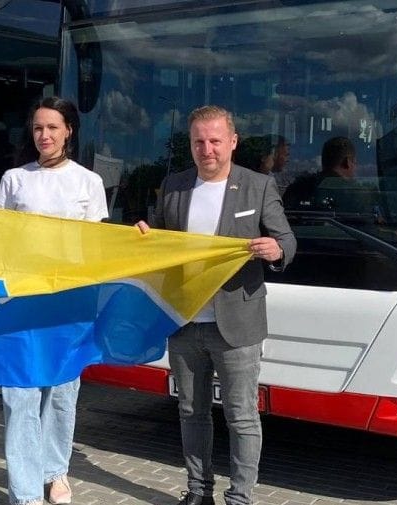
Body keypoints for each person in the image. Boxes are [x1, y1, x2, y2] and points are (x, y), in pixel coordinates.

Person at [138, 105, 296, 505]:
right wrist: (145, 236)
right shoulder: (174, 186)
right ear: (190, 144)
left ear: (233, 142)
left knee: (241, 416)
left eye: (214, 141)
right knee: (191, 412)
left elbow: (288, 241)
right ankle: (197, 490)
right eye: (198, 142)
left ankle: (240, 497)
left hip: (237, 322)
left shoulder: (258, 186)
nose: (206, 149)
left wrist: (276, 249)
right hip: (185, 321)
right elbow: (162, 242)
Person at [0, 96, 108, 505]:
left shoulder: (88, 183)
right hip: (21, 300)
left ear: (69, 131)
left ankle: (54, 471)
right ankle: (24, 493)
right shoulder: (14, 180)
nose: (44, 135)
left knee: (61, 390)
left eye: (53, 127)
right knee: (20, 393)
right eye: (38, 127)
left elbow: (97, 246)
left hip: (70, 301)